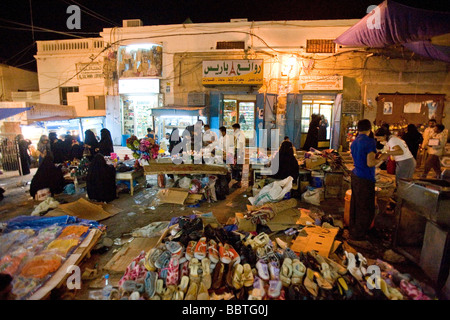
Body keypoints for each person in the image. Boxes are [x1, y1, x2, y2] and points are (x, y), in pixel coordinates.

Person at [349, 119, 388, 241]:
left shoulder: (355, 142)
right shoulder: (370, 142)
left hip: (356, 175)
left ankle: (354, 230)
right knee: (366, 207)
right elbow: (370, 163)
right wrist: (383, 157)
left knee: (356, 205)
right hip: (365, 178)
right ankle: (360, 234)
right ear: (370, 129)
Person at [231, 123, 245, 188]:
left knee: (239, 168)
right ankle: (236, 181)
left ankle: (239, 182)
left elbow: (241, 144)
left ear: (236, 128)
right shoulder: (236, 134)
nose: (233, 130)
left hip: (239, 152)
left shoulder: (241, 134)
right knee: (235, 167)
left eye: (233, 129)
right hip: (236, 151)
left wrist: (239, 154)